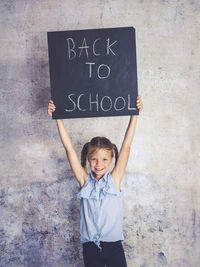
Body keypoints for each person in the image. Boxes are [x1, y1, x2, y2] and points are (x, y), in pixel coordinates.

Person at [48, 96, 143, 267]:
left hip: (114, 247)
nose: (99, 164)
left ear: (112, 159)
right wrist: (58, 118)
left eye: (105, 159)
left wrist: (134, 115)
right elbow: (68, 148)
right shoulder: (84, 181)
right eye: (94, 159)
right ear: (87, 158)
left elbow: (127, 146)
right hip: (90, 247)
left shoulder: (114, 179)